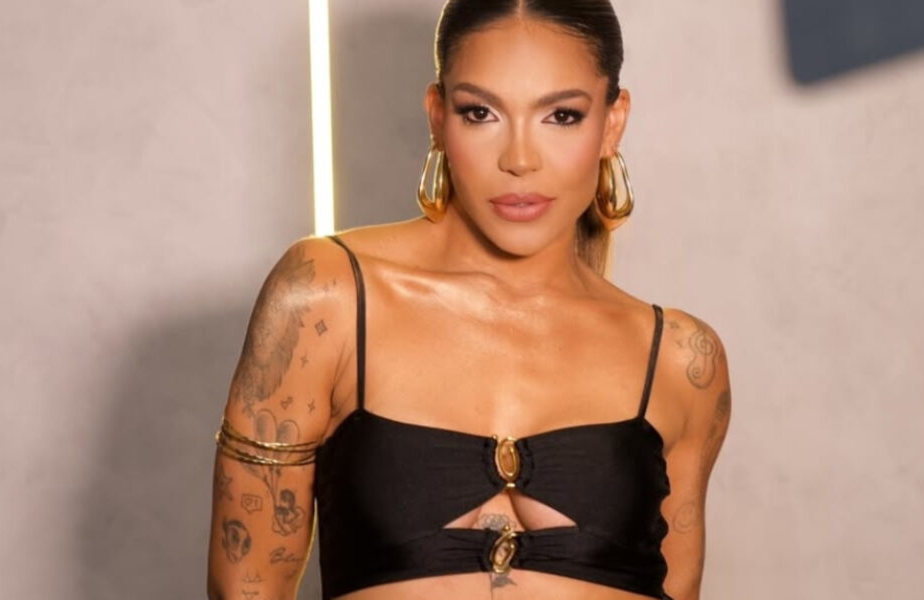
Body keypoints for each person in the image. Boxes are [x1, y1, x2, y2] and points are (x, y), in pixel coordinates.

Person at [206, 1, 731, 599]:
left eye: (561, 115)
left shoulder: (680, 360)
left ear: (613, 123)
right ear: (438, 117)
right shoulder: (325, 297)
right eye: (480, 113)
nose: (519, 160)